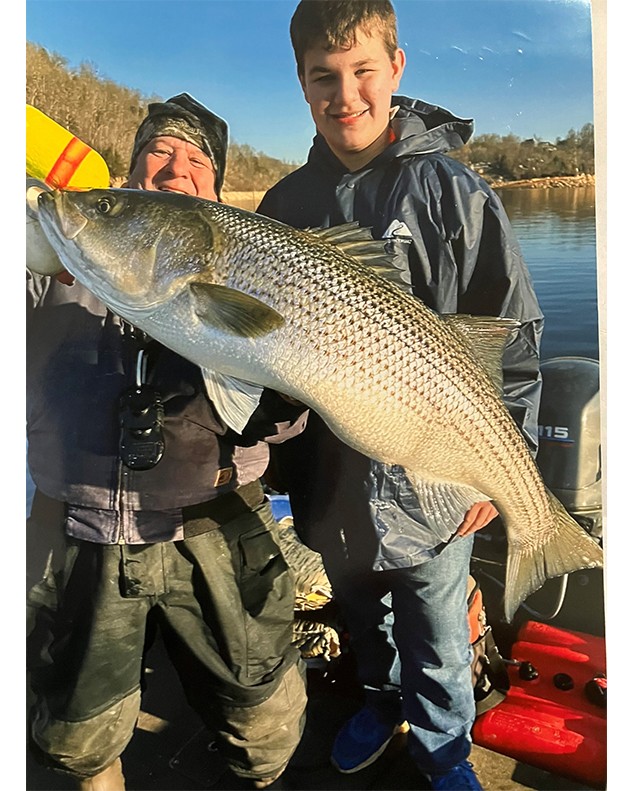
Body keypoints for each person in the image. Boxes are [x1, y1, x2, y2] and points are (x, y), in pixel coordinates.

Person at [257, 2, 544, 789]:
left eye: (361, 71)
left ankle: (445, 745)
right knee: (364, 620)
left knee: (439, 631)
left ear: (397, 69)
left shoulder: (454, 192)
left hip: (434, 479)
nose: (343, 94)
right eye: (323, 76)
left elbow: (509, 340)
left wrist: (501, 462)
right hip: (329, 483)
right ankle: (382, 703)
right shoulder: (283, 205)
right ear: (301, 83)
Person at [26, 93, 308, 791]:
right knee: (81, 736)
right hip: (75, 527)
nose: (175, 168)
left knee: (263, 725)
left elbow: (291, 417)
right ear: (127, 175)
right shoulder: (57, 252)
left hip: (219, 519)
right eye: (158, 151)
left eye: (196, 161)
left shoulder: (252, 266)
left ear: (216, 193)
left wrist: (280, 392)